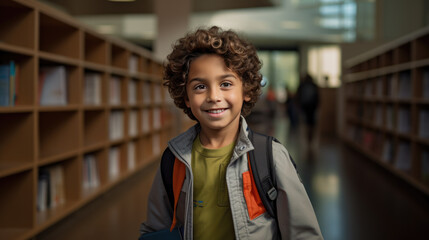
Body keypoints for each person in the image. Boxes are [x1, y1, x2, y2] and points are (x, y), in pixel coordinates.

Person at [140, 26, 323, 240]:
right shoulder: (173, 159)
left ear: (245, 90)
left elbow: (304, 234)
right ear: (186, 97)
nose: (213, 96)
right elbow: (155, 232)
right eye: (200, 87)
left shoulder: (271, 156)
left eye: (226, 84)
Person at [296, 73, 320, 144]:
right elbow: (317, 97)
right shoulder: (314, 85)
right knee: (312, 123)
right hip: (312, 107)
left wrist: (298, 105)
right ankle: (311, 138)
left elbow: (298, 96)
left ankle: (307, 138)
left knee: (305, 123)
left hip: (304, 107)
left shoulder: (302, 85)